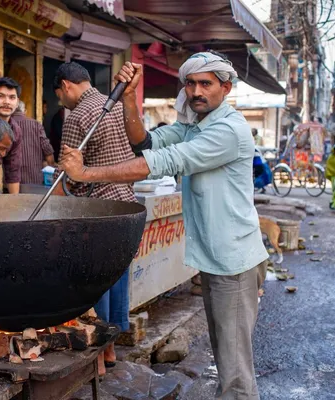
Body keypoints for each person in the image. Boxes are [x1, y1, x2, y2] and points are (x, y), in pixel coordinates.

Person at [59, 52, 268, 399]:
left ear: (226, 88)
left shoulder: (228, 130)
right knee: (226, 357)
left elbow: (165, 161)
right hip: (218, 257)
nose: (197, 91)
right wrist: (128, 96)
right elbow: (145, 141)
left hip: (236, 261)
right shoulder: (194, 126)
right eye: (191, 83)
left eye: (206, 83)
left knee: (235, 371)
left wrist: (86, 173)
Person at [52, 62, 137, 376]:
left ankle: (98, 358)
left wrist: (41, 211)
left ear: (66, 85)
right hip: (127, 205)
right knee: (116, 278)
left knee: (94, 283)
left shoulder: (77, 117)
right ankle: (112, 348)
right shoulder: (117, 106)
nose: (62, 100)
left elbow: (68, 178)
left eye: (60, 94)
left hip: (98, 210)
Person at [12, 100, 55, 184]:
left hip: (11, 181)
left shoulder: (6, 125)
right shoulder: (36, 124)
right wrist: (51, 170)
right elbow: (47, 150)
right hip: (34, 178)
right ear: (24, 111)